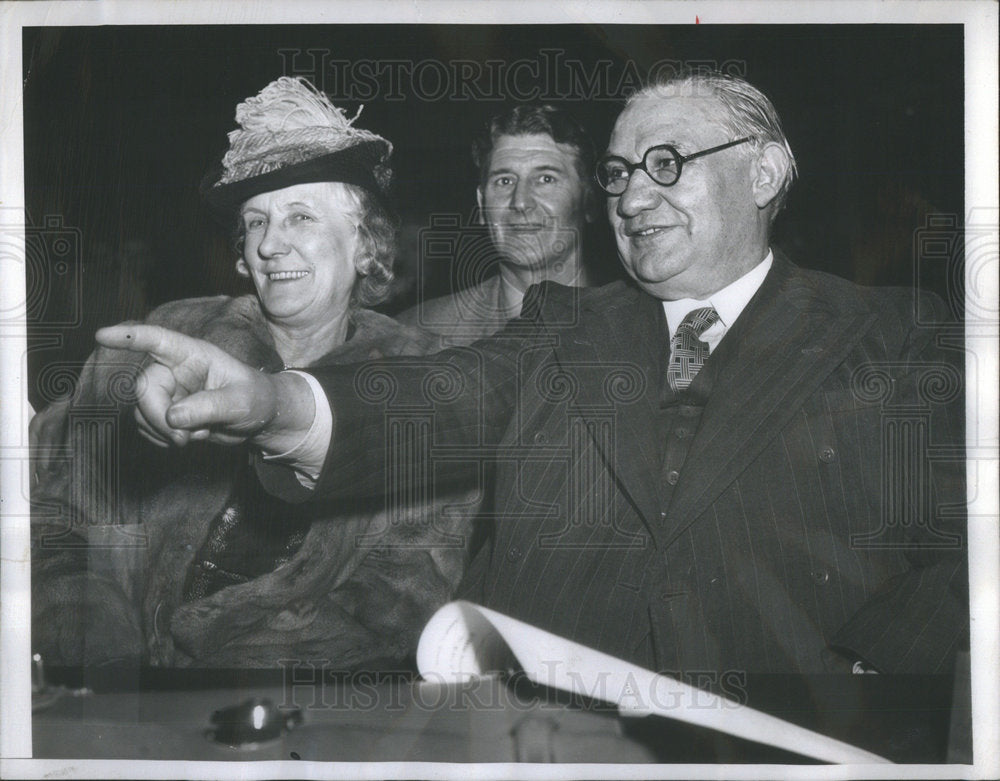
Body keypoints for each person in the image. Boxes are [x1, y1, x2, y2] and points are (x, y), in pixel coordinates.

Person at [98, 71, 967, 676]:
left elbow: (972, 549)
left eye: (667, 166)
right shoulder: (566, 329)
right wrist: (275, 405)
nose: (630, 198)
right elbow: (439, 398)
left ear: (766, 170)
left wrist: (871, 683)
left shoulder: (895, 331)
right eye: (621, 174)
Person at [30, 77, 476, 668]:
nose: (271, 245)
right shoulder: (163, 343)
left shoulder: (424, 386)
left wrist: (214, 688)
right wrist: (102, 649)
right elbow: (59, 516)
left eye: (301, 217)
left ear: (365, 247)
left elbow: (393, 603)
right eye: (257, 223)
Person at [396, 104, 601, 344]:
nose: (521, 202)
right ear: (482, 204)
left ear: (589, 201)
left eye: (546, 179)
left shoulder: (644, 323)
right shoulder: (412, 337)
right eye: (504, 181)